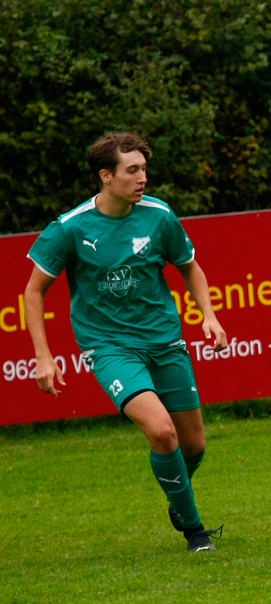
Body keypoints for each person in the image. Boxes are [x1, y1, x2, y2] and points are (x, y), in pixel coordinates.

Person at [24, 131, 227, 552]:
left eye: (144, 169)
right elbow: (33, 291)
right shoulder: (70, 228)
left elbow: (190, 267)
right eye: (132, 170)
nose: (142, 178)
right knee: (162, 433)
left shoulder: (159, 216)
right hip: (110, 348)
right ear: (106, 175)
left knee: (194, 445)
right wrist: (44, 357)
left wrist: (208, 315)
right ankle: (196, 532)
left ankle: (178, 499)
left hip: (165, 342)